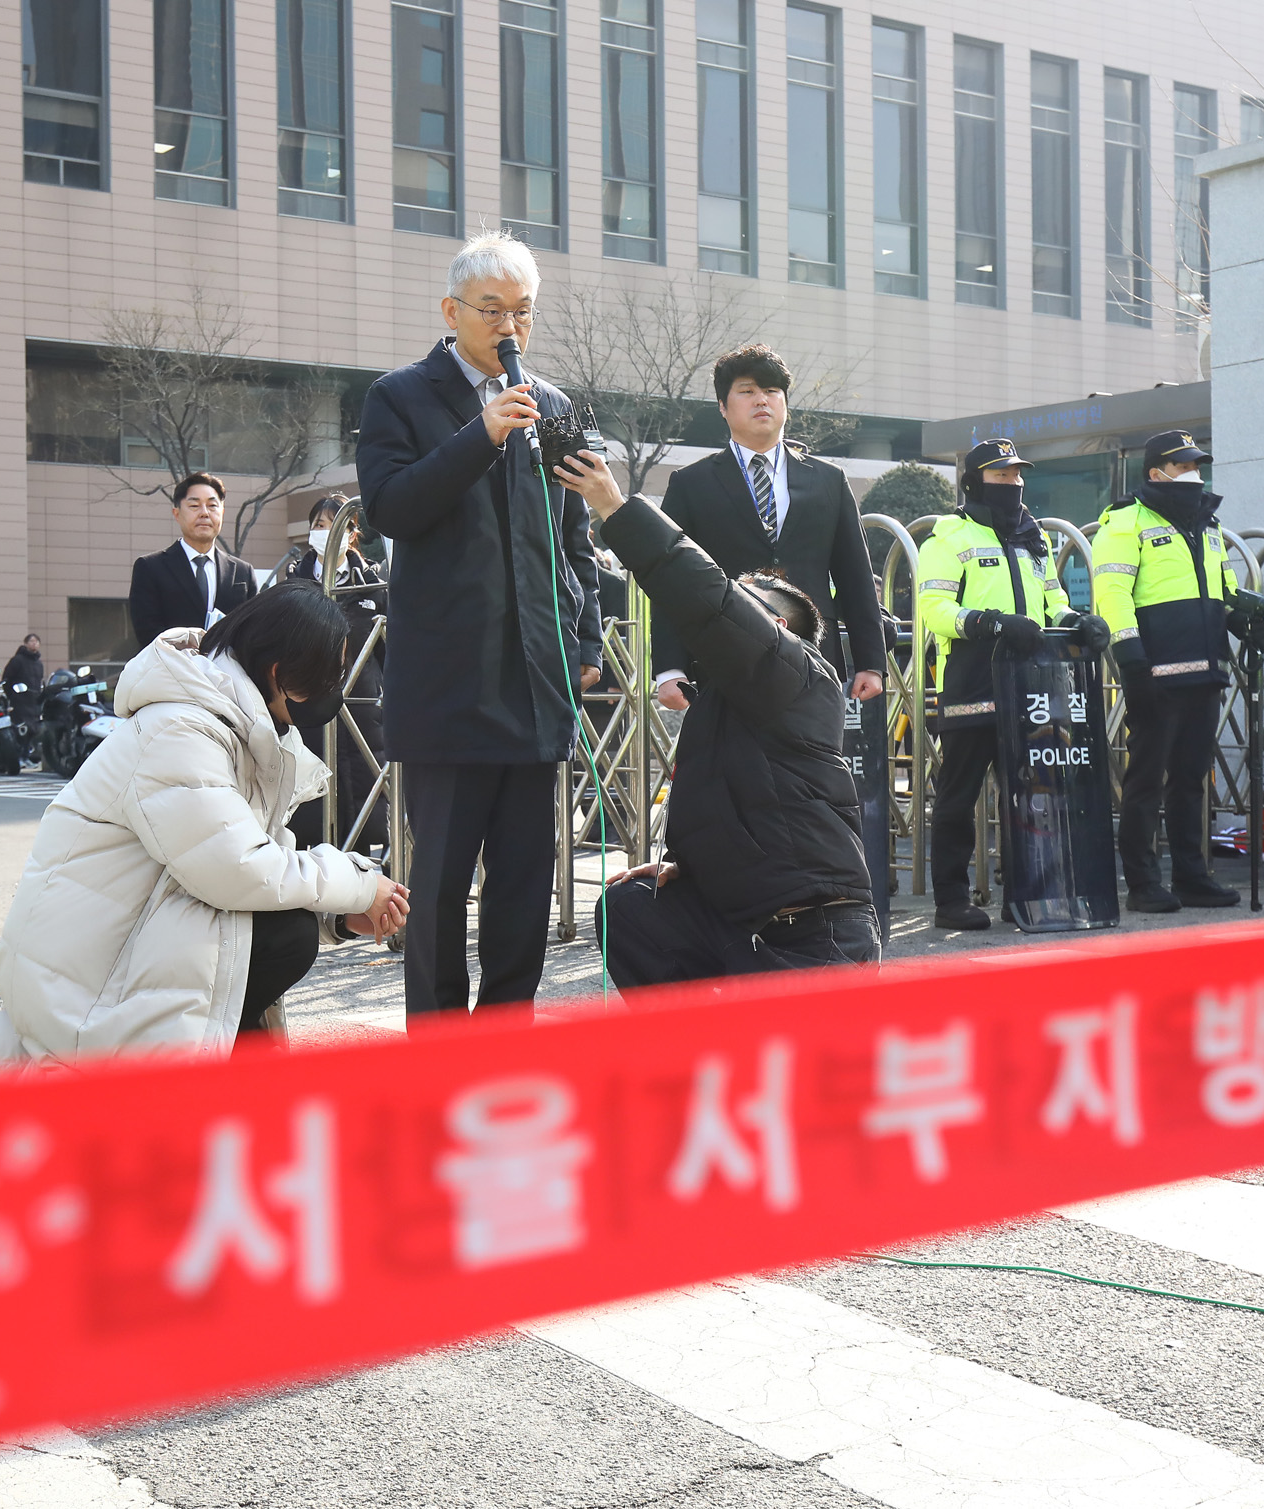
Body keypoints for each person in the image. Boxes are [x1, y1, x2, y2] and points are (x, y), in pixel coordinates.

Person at [0, 583, 410, 1081]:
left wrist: (337, 915)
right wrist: (360, 886)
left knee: (288, 932)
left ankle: (233, 1101)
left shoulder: (234, 724)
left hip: (119, 949)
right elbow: (237, 869)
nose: (332, 691)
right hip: (81, 988)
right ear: (279, 672)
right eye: (327, 674)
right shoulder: (181, 730)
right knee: (285, 938)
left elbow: (248, 863)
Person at [356, 230, 603, 1021]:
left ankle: (505, 1042)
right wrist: (483, 432)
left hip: (536, 682)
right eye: (492, 310)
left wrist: (585, 639)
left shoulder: (556, 405)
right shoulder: (398, 397)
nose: (510, 327)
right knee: (439, 891)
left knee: (526, 887)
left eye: (523, 311)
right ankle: (437, 1054)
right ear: (451, 309)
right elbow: (394, 506)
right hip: (450, 686)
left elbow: (575, 544)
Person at [557, 450, 879, 985]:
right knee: (633, 909)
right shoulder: (724, 697)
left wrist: (613, 506)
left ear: (773, 623)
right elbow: (730, 798)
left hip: (813, 938)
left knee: (794, 1069)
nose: (727, 604)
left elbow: (707, 596)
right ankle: (694, 1057)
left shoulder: (797, 672)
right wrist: (687, 865)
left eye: (744, 598)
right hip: (740, 921)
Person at [916, 439, 1108, 929]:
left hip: (1029, 685)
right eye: (1001, 475)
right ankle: (952, 900)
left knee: (1030, 795)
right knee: (958, 795)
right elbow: (932, 609)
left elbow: (1050, 598)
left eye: (1017, 474)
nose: (1013, 482)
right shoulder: (948, 536)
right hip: (972, 681)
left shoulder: (1033, 536)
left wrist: (1077, 620)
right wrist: (991, 622)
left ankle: (1028, 896)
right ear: (976, 480)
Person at [652, 344, 886, 718]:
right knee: (732, 773)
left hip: (813, 661)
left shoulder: (829, 480)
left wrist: (871, 660)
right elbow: (670, 582)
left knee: (813, 773)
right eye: (747, 391)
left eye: (772, 391)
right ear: (723, 407)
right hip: (724, 660)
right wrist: (669, 668)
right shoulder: (691, 484)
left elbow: (854, 575)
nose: (762, 400)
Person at [1093, 431, 1264, 912]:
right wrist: (1132, 662)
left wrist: (1242, 623)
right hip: (1155, 672)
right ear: (1156, 472)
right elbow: (1112, 595)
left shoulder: (1206, 523)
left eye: (1196, 464)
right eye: (1183, 465)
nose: (1194, 472)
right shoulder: (1125, 521)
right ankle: (1143, 882)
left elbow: (1222, 588)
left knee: (1192, 779)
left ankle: (1193, 875)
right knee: (1146, 780)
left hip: (1205, 669)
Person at [287, 496, 389, 851]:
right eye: (317, 525)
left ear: (351, 532)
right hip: (309, 709)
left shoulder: (373, 585)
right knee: (310, 808)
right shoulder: (293, 584)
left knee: (360, 804)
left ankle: (358, 888)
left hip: (362, 713)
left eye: (332, 525)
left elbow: (387, 653)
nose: (324, 533)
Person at [127, 472, 258, 649]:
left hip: (229, 672)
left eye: (212, 506)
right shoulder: (150, 568)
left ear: (222, 512)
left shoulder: (243, 572)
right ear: (177, 513)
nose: (204, 513)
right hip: (172, 671)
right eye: (194, 505)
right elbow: (148, 632)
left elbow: (253, 630)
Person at [3, 634, 46, 745]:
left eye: (36, 641)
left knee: (35, 729)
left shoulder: (39, 664)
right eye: (31, 641)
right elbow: (6, 680)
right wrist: (13, 695)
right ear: (26, 644)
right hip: (20, 701)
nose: (34, 643)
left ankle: (30, 754)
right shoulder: (17, 660)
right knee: (21, 729)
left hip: (34, 701)